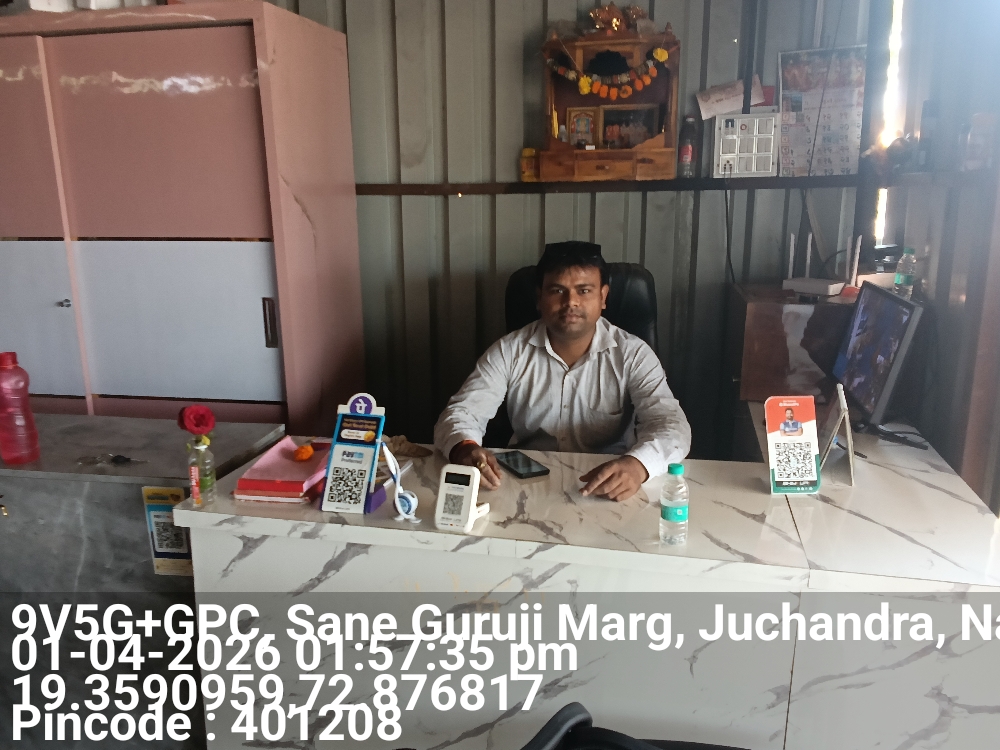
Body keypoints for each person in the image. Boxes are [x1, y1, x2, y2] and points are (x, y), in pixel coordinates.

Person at [433, 241, 691, 502]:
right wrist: (464, 448)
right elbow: (462, 412)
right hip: (524, 486)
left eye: (584, 290)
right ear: (539, 298)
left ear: (603, 297)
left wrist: (638, 466)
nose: (571, 302)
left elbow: (671, 424)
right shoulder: (509, 351)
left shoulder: (632, 354)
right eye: (558, 291)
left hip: (610, 485)